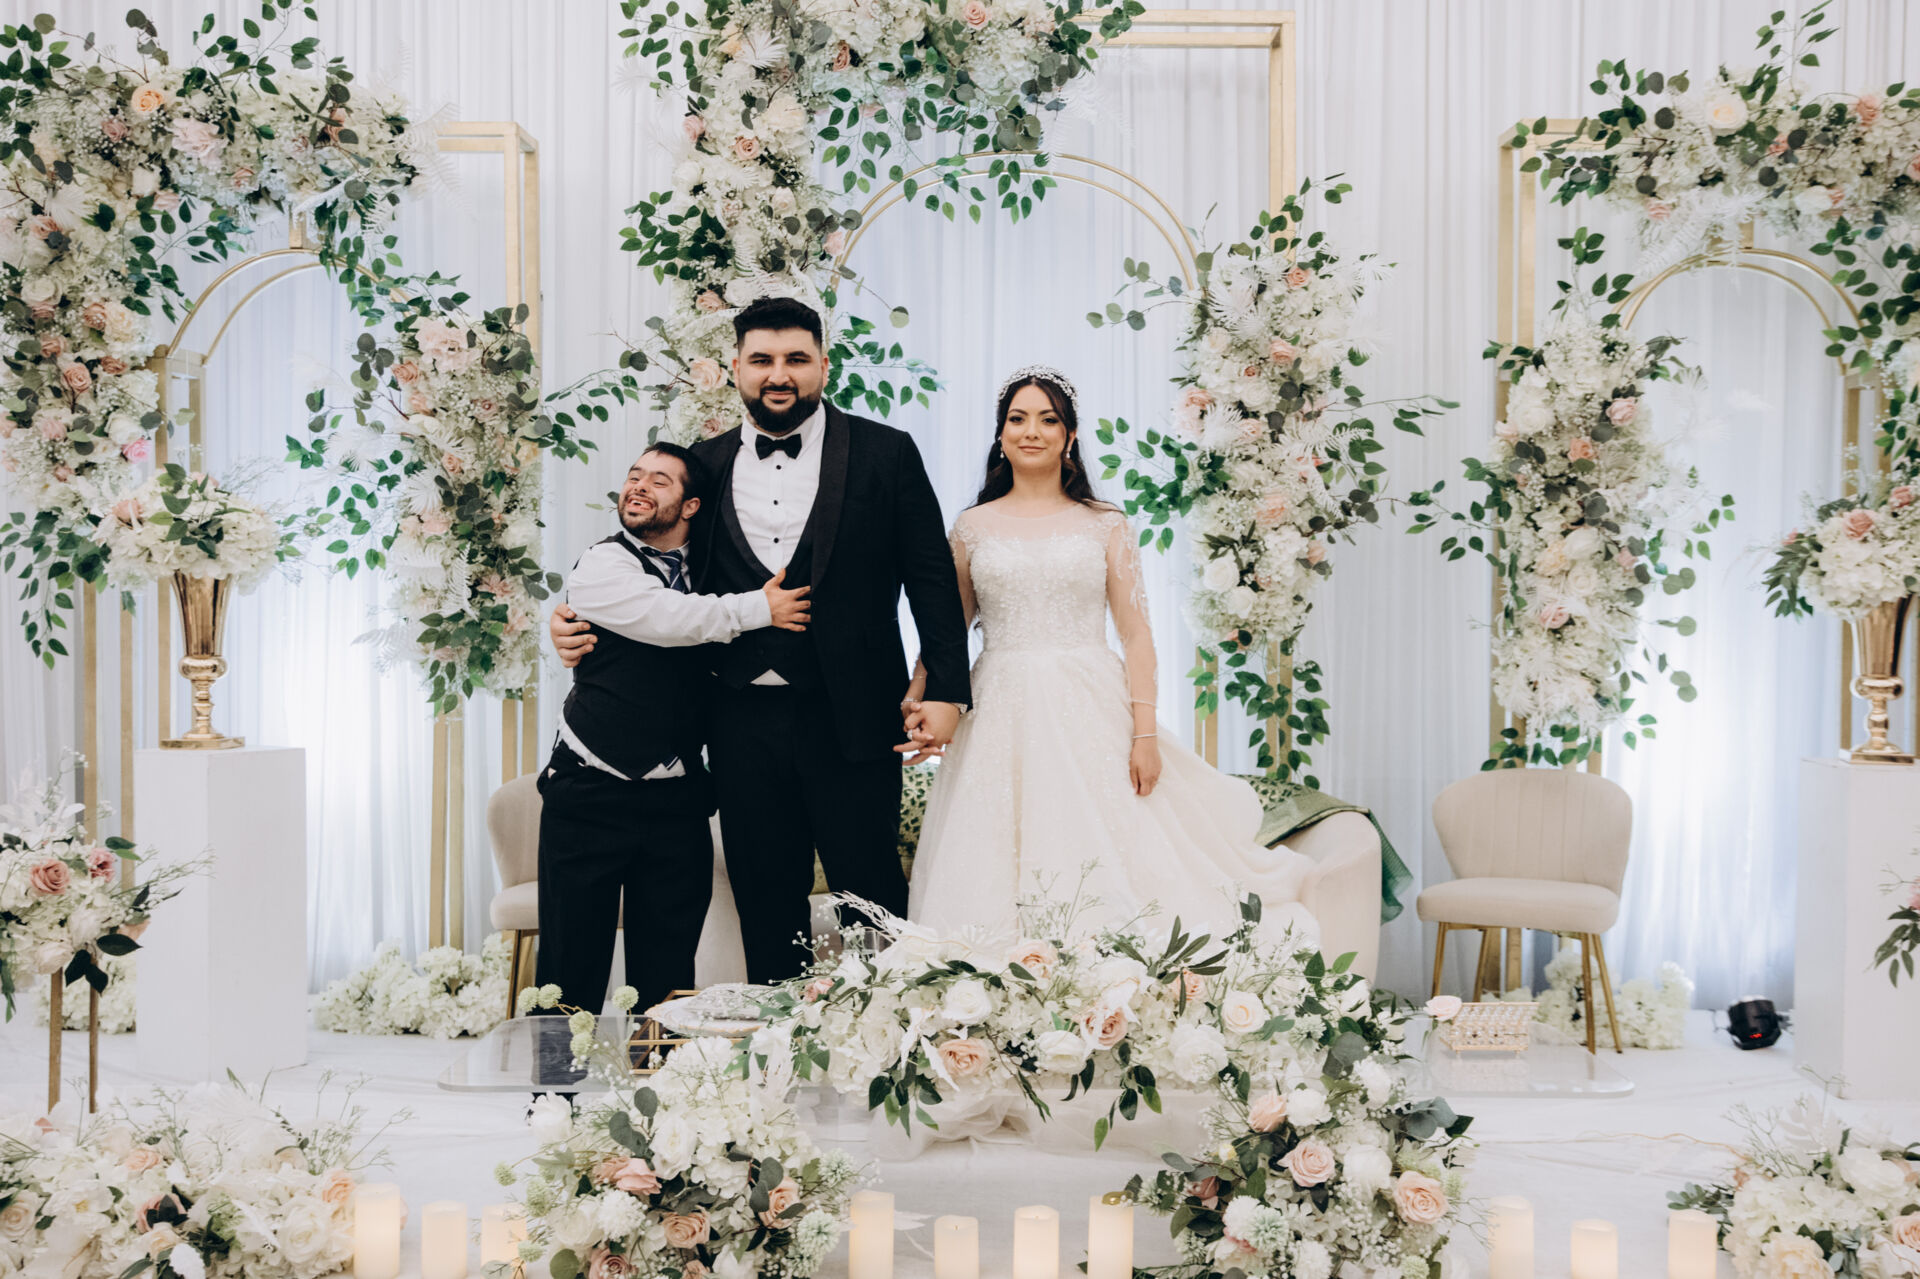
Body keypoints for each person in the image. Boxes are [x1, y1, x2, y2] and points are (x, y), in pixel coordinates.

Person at [550, 297, 972, 983]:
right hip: (736, 720)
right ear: (736, 369)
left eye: (796, 359)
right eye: (763, 360)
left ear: (824, 366)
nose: (779, 374)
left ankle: (892, 1037)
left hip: (855, 716)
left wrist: (948, 690)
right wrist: (572, 616)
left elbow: (931, 579)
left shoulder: (886, 452)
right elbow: (649, 566)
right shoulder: (704, 465)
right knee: (765, 899)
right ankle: (779, 1042)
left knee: (874, 897)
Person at [901, 365, 1319, 945]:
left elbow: (1137, 634)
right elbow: (946, 629)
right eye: (1017, 419)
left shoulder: (1106, 525)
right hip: (998, 703)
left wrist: (1145, 735)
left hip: (1089, 698)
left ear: (1069, 435)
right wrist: (918, 694)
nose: (1031, 431)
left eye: (1048, 420)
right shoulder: (972, 527)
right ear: (1000, 434)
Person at [534, 442, 812, 1015]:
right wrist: (760, 609)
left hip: (678, 801)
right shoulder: (603, 563)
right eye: (634, 475)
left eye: (659, 481)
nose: (639, 485)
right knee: (568, 970)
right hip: (590, 790)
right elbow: (668, 619)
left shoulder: (712, 568)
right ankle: (556, 1075)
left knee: (666, 979)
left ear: (690, 506)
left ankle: (657, 1071)